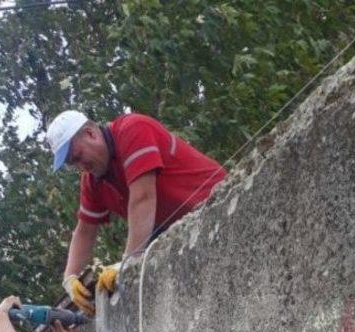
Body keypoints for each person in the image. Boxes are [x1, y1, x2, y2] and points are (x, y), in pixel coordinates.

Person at [46, 110, 226, 314]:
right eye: (73, 164)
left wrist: (128, 262)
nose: (80, 167)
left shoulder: (132, 129)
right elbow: (85, 230)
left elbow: (143, 198)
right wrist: (69, 278)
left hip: (218, 205)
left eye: (78, 156)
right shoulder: (92, 180)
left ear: (90, 133)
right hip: (181, 228)